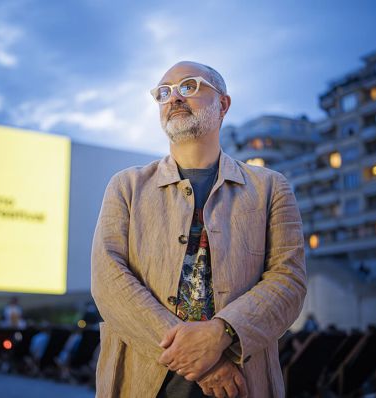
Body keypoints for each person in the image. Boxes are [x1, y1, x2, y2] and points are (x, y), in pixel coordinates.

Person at [91, 61, 307, 398]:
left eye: (189, 86)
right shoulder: (126, 186)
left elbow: (288, 281)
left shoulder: (270, 188)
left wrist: (222, 333)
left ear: (223, 104)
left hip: (242, 384)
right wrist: (200, 360)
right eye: (164, 92)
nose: (174, 97)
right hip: (142, 381)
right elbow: (108, 281)